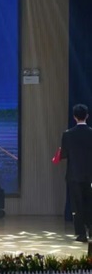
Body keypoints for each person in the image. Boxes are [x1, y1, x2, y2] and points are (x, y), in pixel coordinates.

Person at [59, 103, 92, 242]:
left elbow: (63, 154)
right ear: (87, 116)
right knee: (90, 203)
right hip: (90, 175)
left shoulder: (67, 134)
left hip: (74, 175)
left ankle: (81, 234)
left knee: (77, 205)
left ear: (74, 117)